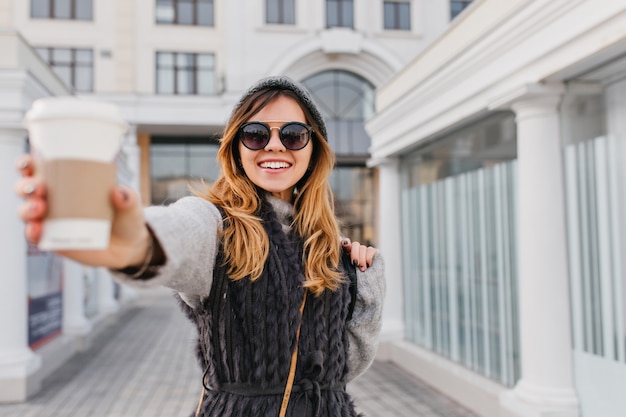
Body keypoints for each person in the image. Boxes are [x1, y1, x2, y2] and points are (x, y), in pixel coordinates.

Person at [15, 76, 385, 417]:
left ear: (313, 148)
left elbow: (346, 365)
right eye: (255, 134)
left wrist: (363, 282)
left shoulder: (334, 251)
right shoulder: (215, 224)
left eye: (293, 134)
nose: (275, 145)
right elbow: (173, 233)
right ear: (236, 147)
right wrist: (126, 239)